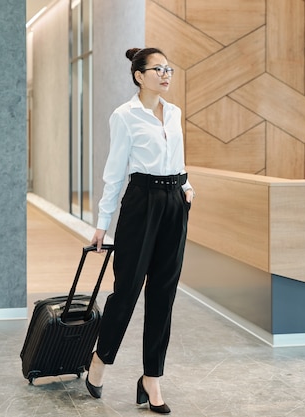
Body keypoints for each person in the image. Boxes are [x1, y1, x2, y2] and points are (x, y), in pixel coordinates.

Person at [86, 47, 195, 415]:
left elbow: (176, 155)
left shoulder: (175, 113)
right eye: (158, 69)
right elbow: (115, 172)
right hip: (141, 202)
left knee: (163, 291)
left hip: (174, 203)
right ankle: (101, 359)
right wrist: (102, 223)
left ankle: (152, 378)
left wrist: (187, 184)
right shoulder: (125, 115)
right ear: (139, 75)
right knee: (128, 288)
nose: (166, 74)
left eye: (169, 68)